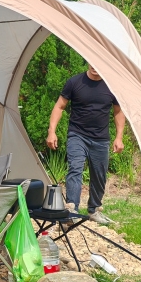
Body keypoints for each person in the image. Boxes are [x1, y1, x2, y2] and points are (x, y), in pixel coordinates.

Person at [46, 66, 125, 224]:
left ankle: (93, 210)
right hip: (77, 135)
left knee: (99, 175)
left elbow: (118, 111)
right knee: (75, 168)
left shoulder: (111, 85)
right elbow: (59, 106)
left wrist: (119, 137)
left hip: (101, 139)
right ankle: (72, 210)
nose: (95, 67)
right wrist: (51, 131)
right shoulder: (75, 82)